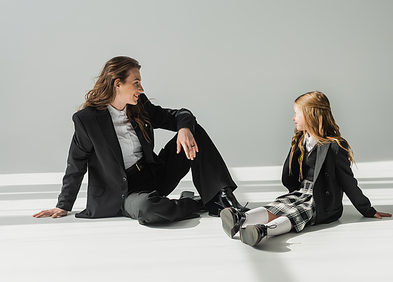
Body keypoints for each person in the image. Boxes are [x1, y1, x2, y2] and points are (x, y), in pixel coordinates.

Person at [33, 56, 246, 224]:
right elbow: (76, 164)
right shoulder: (87, 120)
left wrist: (182, 128)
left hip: (154, 177)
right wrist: (63, 204)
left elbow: (180, 114)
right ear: (118, 84)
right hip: (125, 193)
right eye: (136, 83)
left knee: (192, 130)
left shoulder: (139, 106)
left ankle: (221, 196)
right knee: (150, 210)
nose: (141, 89)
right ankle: (198, 202)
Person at [220, 91, 391, 246]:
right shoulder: (301, 140)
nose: (293, 118)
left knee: (297, 213)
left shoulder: (335, 146)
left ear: (310, 116)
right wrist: (295, 146)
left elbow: (348, 181)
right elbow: (291, 173)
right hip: (301, 192)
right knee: (279, 204)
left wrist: (367, 209)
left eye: (296, 114)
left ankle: (262, 231)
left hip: (323, 202)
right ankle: (241, 218)